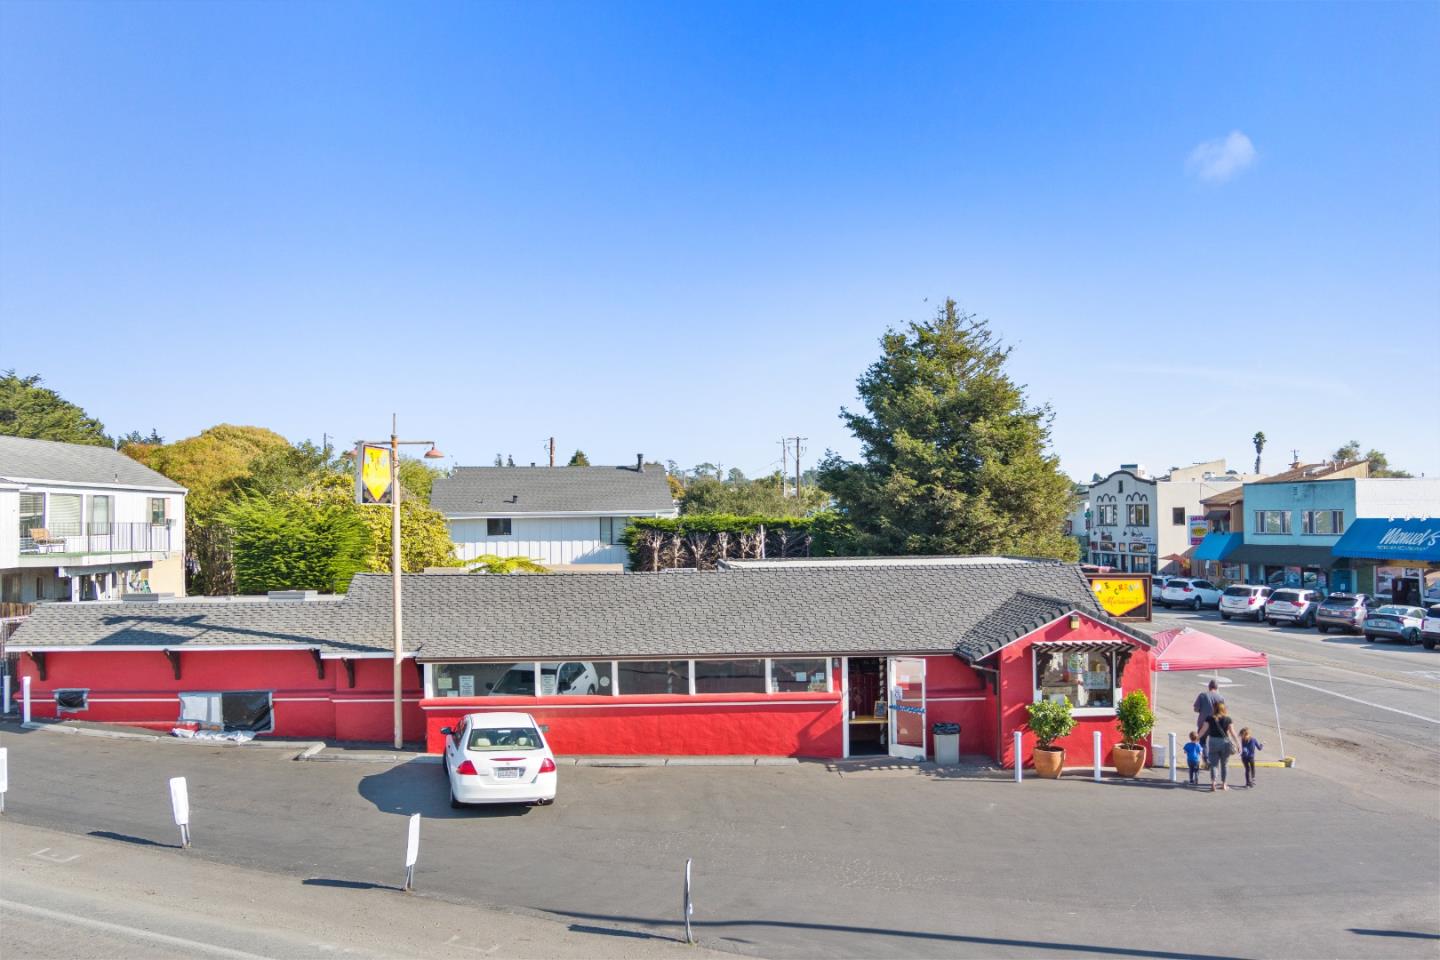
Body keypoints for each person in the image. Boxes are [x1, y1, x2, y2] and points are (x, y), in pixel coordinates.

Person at [1201, 703, 1242, 791]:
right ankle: (1223, 784)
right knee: (1224, 764)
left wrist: (1197, 737)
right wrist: (1238, 744)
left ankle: (1213, 783)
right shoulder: (1228, 719)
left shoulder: (1209, 718)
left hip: (1213, 742)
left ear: (1214, 709)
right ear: (1224, 709)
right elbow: (1233, 733)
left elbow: (1203, 730)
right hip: (1225, 743)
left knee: (1214, 764)